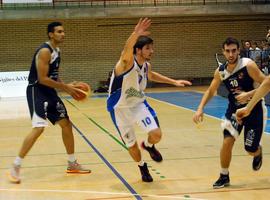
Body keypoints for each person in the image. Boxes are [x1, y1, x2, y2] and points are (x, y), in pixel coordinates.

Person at [107, 18, 191, 182]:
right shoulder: (125, 63)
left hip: (138, 104)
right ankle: (142, 167)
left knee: (156, 134)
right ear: (138, 50)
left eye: (152, 48)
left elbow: (151, 75)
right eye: (148, 48)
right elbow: (126, 51)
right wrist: (135, 33)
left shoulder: (146, 65)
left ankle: (149, 145)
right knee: (131, 145)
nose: (152, 51)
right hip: (119, 108)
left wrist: (174, 82)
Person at [8, 22, 91, 184]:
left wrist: (67, 86)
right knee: (39, 128)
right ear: (51, 34)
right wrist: (65, 87)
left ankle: (72, 163)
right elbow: (42, 78)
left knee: (66, 124)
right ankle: (15, 166)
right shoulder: (45, 51)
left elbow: (53, 76)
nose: (63, 34)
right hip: (37, 90)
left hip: (49, 91)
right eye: (59, 31)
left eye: (63, 31)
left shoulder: (57, 51)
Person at [192, 37, 266, 189]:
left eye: (234, 51)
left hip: (254, 109)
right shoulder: (220, 71)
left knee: (250, 149)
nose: (231, 54)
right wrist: (200, 108)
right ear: (223, 52)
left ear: (239, 51)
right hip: (234, 111)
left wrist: (248, 94)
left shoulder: (248, 66)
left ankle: (257, 152)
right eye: (228, 51)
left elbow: (267, 84)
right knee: (227, 141)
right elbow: (211, 90)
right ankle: (224, 175)